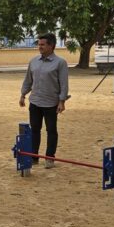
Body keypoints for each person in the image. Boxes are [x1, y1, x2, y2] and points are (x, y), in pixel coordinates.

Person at [20, 33, 70, 169]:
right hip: (35, 102)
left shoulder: (60, 63)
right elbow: (28, 80)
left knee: (51, 131)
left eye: (42, 44)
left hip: (51, 103)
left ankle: (49, 158)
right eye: (39, 44)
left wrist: (62, 101)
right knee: (34, 130)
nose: (39, 47)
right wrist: (23, 94)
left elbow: (64, 84)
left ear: (51, 45)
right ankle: (34, 157)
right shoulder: (33, 61)